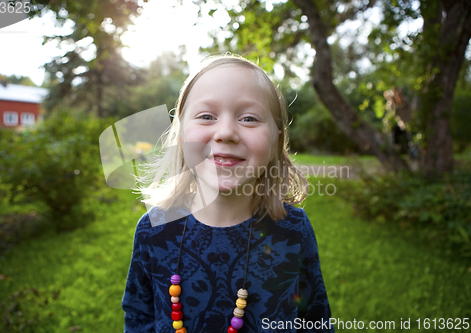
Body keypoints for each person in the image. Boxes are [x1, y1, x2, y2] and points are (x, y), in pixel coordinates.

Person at [122, 55, 334, 333]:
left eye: (249, 118)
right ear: (181, 134)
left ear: (275, 141)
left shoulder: (293, 230)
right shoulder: (154, 229)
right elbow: (139, 319)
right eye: (207, 116)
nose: (225, 133)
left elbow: (315, 320)